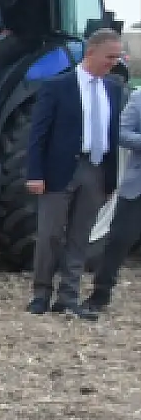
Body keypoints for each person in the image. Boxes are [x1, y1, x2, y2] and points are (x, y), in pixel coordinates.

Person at [26, 29, 124, 319]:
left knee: (80, 237)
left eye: (117, 57)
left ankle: (68, 297)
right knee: (50, 235)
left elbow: (114, 134)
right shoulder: (57, 87)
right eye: (110, 56)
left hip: (95, 170)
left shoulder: (114, 89)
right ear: (91, 52)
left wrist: (110, 180)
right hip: (60, 171)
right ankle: (41, 293)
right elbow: (38, 135)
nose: (114, 62)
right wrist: (35, 173)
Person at [86, 82, 141, 313]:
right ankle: (100, 294)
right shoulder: (139, 98)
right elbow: (120, 132)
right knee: (119, 240)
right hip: (137, 186)